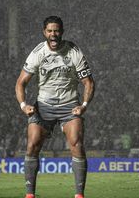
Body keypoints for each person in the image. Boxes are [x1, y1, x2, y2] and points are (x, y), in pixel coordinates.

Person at [15, 16, 95, 198]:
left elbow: (88, 82)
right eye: (50, 31)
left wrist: (83, 105)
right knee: (32, 145)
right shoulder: (38, 53)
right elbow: (20, 83)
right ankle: (29, 195)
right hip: (43, 106)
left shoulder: (73, 51)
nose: (53, 34)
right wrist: (23, 105)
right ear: (44, 32)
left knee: (76, 143)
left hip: (69, 106)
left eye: (56, 31)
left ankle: (79, 195)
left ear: (62, 32)